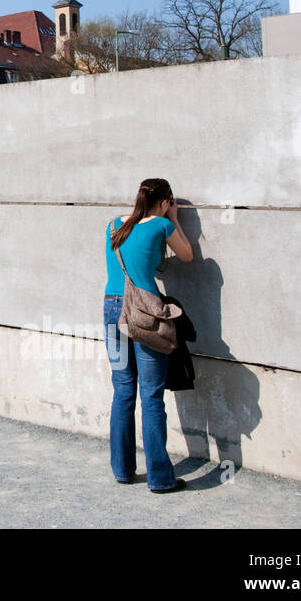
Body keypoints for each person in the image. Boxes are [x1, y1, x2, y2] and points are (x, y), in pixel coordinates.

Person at [104, 178, 194, 492]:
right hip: (143, 315)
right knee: (152, 397)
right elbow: (187, 256)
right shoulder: (161, 226)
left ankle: (123, 470)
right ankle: (159, 478)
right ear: (166, 201)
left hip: (111, 310)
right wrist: (174, 220)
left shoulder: (114, 226)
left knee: (123, 392)